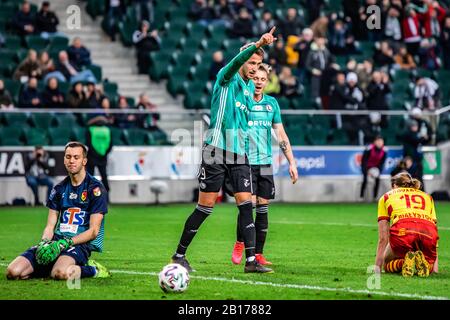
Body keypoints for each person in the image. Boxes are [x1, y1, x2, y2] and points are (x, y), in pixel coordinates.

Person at [170, 28, 277, 274]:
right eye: (251, 62)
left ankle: (251, 262)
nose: (253, 67)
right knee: (205, 207)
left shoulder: (250, 89)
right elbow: (236, 63)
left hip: (239, 153)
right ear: (242, 60)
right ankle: (179, 255)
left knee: (245, 204)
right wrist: (258, 43)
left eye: (258, 63)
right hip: (215, 149)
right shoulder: (226, 78)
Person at [6, 142, 110, 280]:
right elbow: (50, 226)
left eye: (76, 157)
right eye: (68, 157)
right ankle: (50, 265)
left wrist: (66, 243)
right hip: (56, 242)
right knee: (13, 272)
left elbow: (93, 231)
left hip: (78, 245)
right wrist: (44, 242)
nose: (71, 160)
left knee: (60, 273)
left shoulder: (95, 189)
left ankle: (93, 270)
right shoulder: (59, 189)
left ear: (84, 161)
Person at [231, 63, 298, 266]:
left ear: (267, 82)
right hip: (245, 162)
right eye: (255, 79)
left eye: (262, 79)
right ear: (250, 80)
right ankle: (240, 242)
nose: (259, 82)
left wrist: (292, 162)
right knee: (247, 206)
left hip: (265, 163)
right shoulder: (242, 102)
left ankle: (259, 254)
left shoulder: (272, 104)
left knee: (263, 208)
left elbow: (281, 134)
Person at [374, 172, 439, 277]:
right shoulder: (428, 197)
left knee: (387, 264)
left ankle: (403, 262)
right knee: (428, 264)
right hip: (428, 233)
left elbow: (383, 238)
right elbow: (434, 228)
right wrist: (435, 269)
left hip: (404, 231)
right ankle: (427, 266)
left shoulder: (386, 197)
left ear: (394, 186)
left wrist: (377, 268)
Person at [86, 120, 113, 195]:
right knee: (104, 176)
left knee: (90, 176)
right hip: (103, 156)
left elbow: (88, 143)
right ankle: (107, 196)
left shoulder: (91, 130)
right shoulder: (107, 130)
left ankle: (88, 195)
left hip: (92, 156)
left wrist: (94, 153)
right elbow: (110, 144)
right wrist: (104, 153)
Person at [360, 136, 386, 200]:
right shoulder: (369, 149)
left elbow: (382, 163)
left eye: (381, 141)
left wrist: (379, 170)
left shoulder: (384, 151)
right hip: (367, 167)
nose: (380, 143)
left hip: (375, 168)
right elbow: (364, 160)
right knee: (365, 179)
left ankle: (375, 196)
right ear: (375, 142)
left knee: (378, 179)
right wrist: (366, 171)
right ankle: (361, 196)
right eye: (378, 141)